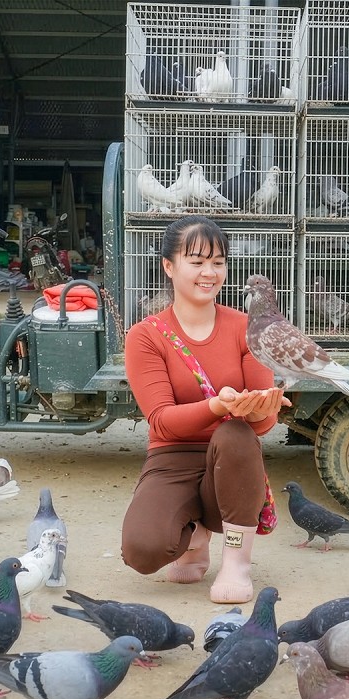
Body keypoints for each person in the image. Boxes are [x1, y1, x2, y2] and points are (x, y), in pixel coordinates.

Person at [121, 216, 289, 604]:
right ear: (169, 266)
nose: (209, 272)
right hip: (172, 456)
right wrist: (216, 404)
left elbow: (260, 426)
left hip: (232, 457)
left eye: (218, 261)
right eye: (196, 261)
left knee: (235, 433)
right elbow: (161, 420)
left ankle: (236, 561)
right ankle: (195, 536)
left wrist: (262, 407)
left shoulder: (247, 327)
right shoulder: (145, 335)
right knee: (142, 551)